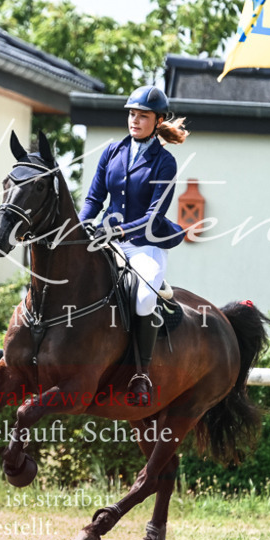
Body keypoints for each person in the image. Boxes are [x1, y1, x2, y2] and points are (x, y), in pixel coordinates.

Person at [78, 85, 188, 407]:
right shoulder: (112, 152)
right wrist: (83, 223)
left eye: (143, 116)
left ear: (158, 120)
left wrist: (121, 231)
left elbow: (155, 216)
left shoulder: (164, 163)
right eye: (132, 114)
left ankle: (140, 373)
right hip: (107, 242)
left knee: (142, 299)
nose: (135, 121)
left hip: (143, 246)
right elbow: (94, 199)